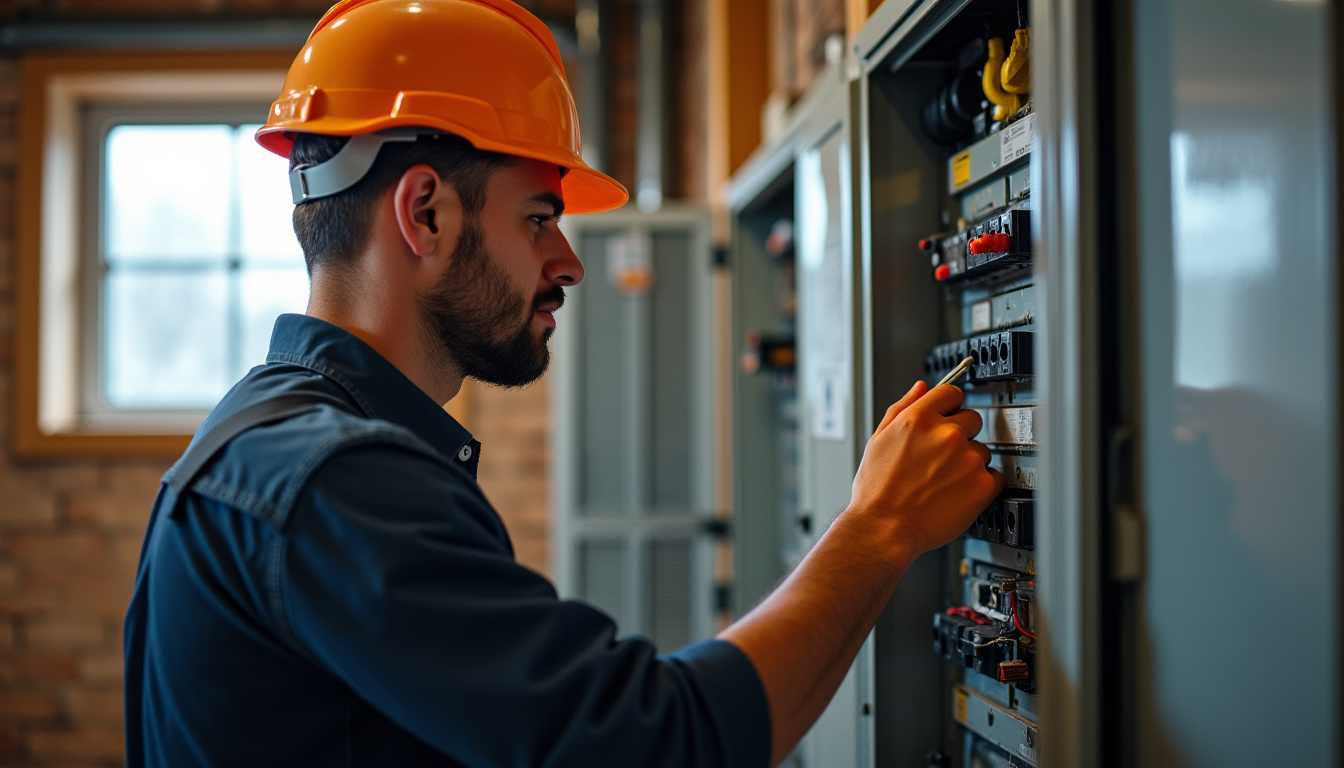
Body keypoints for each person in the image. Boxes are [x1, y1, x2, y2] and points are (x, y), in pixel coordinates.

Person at [122, 1, 1004, 766]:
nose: (570, 263)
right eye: (540, 218)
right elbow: (657, 747)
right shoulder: (333, 481)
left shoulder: (261, 439)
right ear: (424, 212)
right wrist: (880, 528)